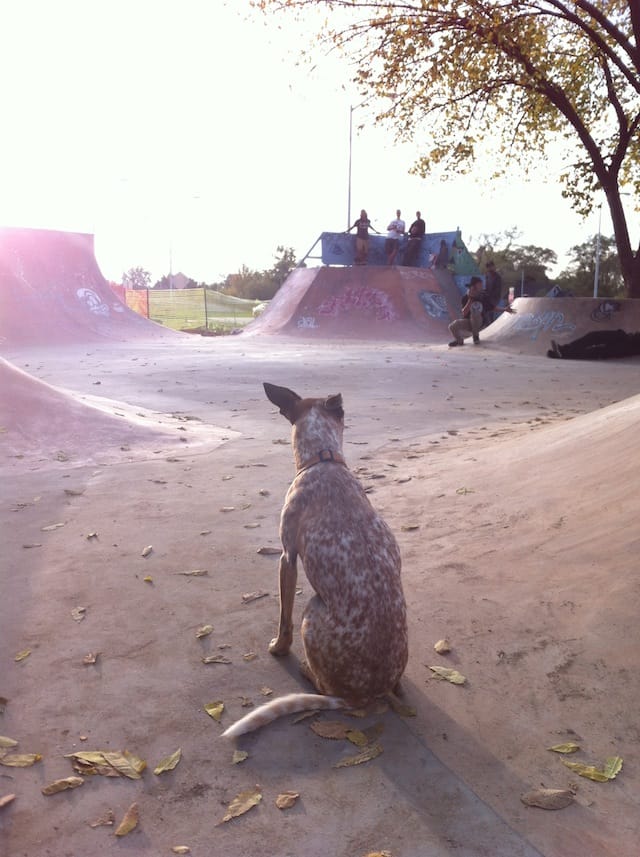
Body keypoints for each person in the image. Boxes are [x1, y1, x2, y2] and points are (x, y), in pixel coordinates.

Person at [448, 276, 494, 347]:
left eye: (481, 285)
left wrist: (505, 309)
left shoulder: (483, 296)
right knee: (452, 326)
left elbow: (492, 307)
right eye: (479, 285)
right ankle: (459, 340)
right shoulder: (465, 298)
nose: (481, 287)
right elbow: (464, 313)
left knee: (474, 313)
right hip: (469, 323)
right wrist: (470, 300)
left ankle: (476, 337)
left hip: (480, 323)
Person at [547, 330, 640, 360]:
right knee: (593, 336)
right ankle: (564, 349)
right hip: (625, 337)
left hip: (631, 347)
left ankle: (564, 354)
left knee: (598, 351)